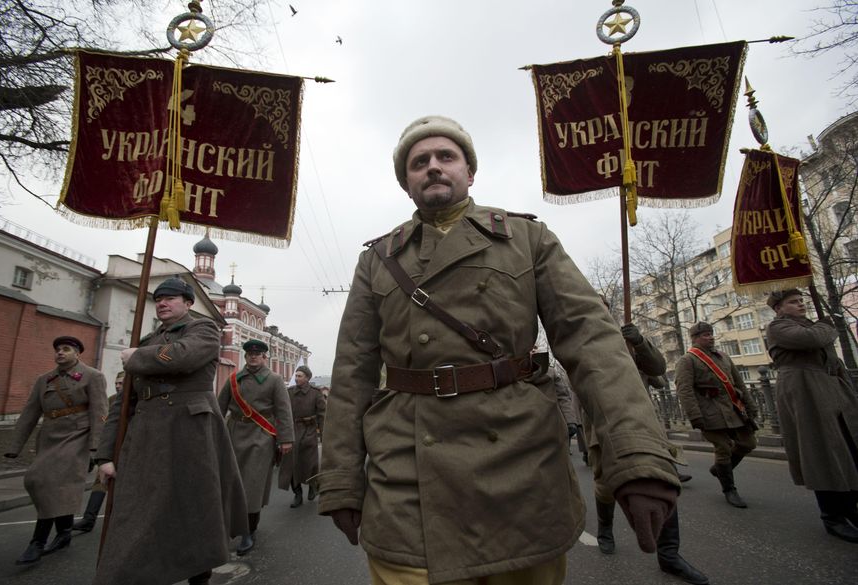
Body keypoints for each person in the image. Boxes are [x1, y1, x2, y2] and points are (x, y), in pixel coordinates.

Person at [318, 115, 680, 585]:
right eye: (418, 162)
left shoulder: (528, 239)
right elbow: (351, 374)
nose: (432, 167)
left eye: (446, 157)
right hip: (406, 470)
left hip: (519, 464)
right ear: (406, 183)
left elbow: (593, 344)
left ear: (470, 172)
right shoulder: (377, 260)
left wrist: (637, 456)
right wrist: (342, 479)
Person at [93, 277, 248, 585]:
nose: (162, 303)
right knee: (137, 514)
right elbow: (123, 405)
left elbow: (184, 356)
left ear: (188, 303)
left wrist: (137, 356)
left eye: (171, 298)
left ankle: (197, 573)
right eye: (158, 299)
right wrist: (105, 455)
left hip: (190, 433)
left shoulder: (203, 330)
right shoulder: (148, 340)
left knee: (193, 509)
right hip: (145, 439)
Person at [586, 322, 708, 584]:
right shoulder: (583, 339)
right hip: (603, 419)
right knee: (606, 484)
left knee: (659, 477)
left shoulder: (628, 341)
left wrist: (640, 342)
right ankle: (605, 529)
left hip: (640, 418)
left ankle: (669, 555)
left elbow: (658, 370)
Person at [765, 289, 858, 542]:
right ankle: (832, 516)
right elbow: (811, 339)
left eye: (802, 301)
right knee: (821, 451)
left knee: (847, 449)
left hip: (831, 392)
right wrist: (828, 325)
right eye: (793, 302)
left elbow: (827, 353)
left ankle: (850, 508)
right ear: (779, 308)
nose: (801, 305)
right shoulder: (777, 327)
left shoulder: (813, 326)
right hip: (805, 392)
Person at [5, 336, 107, 564]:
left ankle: (37, 541)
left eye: (66, 349)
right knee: (44, 483)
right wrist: (15, 446)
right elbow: (30, 413)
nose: (60, 352)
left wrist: (95, 447)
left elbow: (100, 413)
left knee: (47, 481)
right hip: (49, 438)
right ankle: (64, 532)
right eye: (58, 349)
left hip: (77, 437)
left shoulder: (92, 376)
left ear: (77, 353)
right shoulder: (44, 380)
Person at [218, 339, 295, 555]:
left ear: (264, 357)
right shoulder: (234, 379)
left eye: (258, 353)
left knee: (252, 486)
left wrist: (286, 439)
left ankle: (248, 531)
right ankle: (227, 528)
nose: (253, 356)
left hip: (261, 438)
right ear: (245, 356)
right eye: (250, 353)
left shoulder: (274, 380)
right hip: (233, 435)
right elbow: (219, 408)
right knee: (230, 484)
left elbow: (283, 411)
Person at [675, 321, 758, 508]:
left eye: (711, 333)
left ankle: (719, 469)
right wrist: (695, 416)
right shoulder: (687, 360)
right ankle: (730, 489)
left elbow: (739, 384)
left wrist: (750, 407)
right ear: (695, 338)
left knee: (748, 443)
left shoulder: (723, 357)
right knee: (723, 448)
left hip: (733, 409)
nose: (710, 337)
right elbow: (685, 390)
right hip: (709, 412)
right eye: (705, 335)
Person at [73, 371, 124, 533]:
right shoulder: (112, 400)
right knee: (100, 482)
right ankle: (89, 519)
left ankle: (121, 521)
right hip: (111, 448)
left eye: (121, 383)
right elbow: (105, 426)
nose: (117, 386)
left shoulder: (136, 399)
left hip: (129, 449)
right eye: (116, 383)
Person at [279, 364, 325, 508]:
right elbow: (281, 412)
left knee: (311, 463)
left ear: (307, 378)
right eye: (296, 375)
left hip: (309, 430)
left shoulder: (316, 393)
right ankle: (297, 494)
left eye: (300, 376)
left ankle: (312, 485)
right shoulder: (289, 392)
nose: (297, 378)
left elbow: (322, 415)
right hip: (292, 431)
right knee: (291, 464)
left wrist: (323, 434)